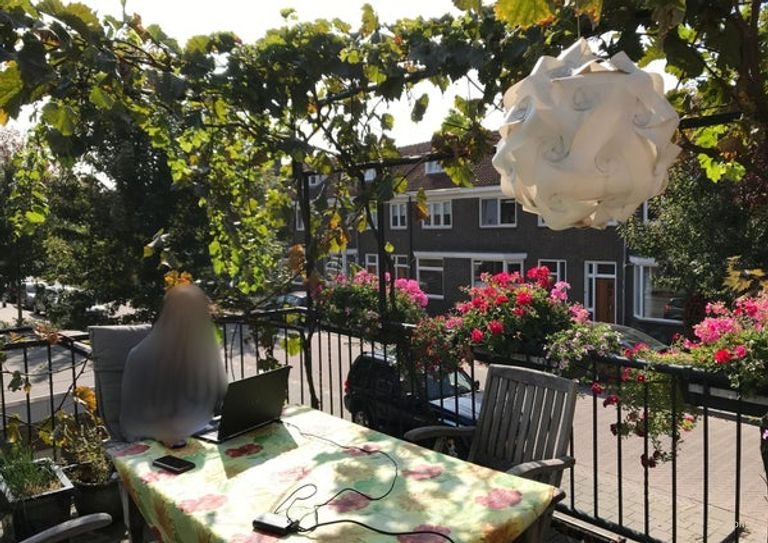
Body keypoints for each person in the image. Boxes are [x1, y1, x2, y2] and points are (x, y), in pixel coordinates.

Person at [120, 284, 227, 447]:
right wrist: (164, 434)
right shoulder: (141, 357)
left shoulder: (199, 353)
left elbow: (219, 397)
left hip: (201, 436)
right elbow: (132, 423)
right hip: (156, 447)